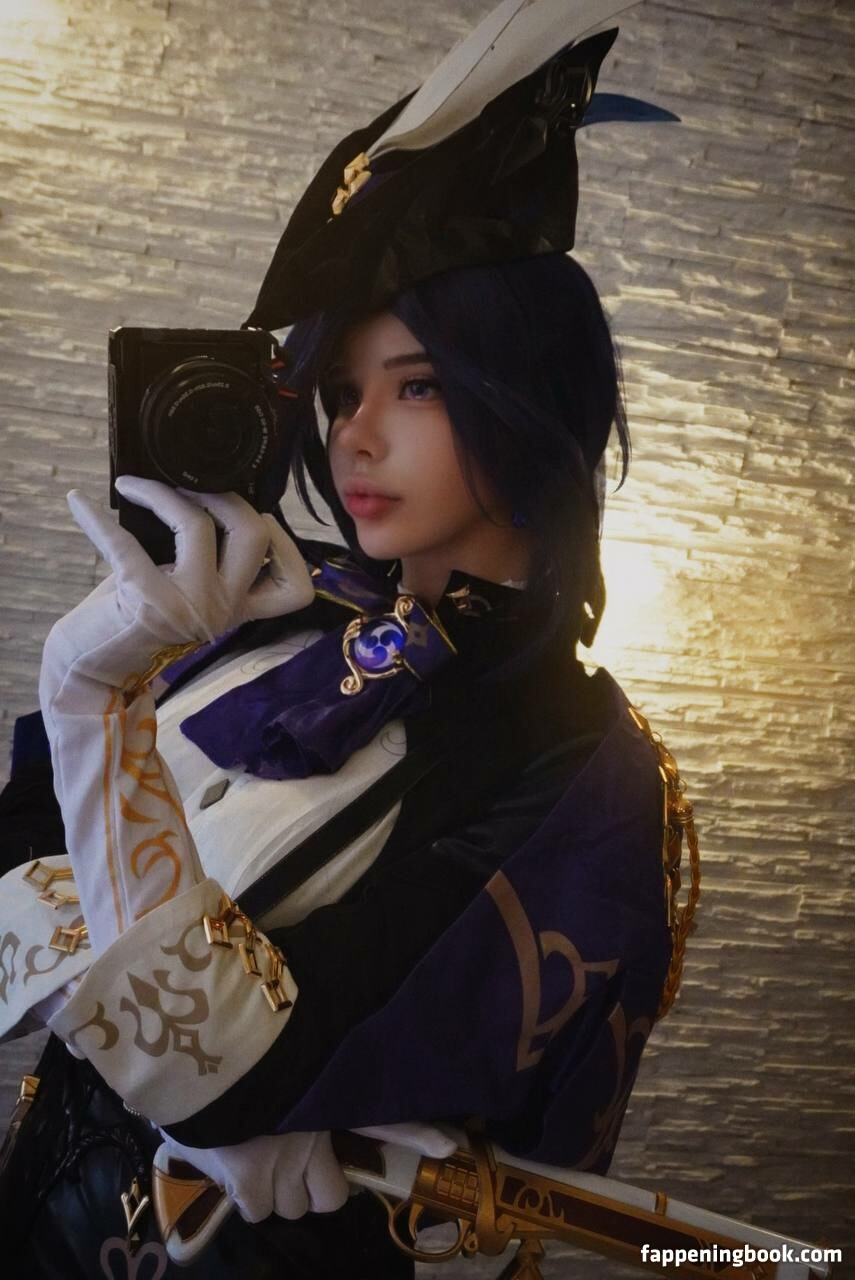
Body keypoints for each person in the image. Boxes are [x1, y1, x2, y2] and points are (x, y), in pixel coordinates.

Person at [0, 3, 688, 1276]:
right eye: (339, 391)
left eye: (416, 385)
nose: (356, 434)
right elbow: (21, 839)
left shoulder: (578, 765)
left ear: (530, 395)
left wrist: (96, 710)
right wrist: (108, 699)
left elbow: (225, 1071)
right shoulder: (275, 618)